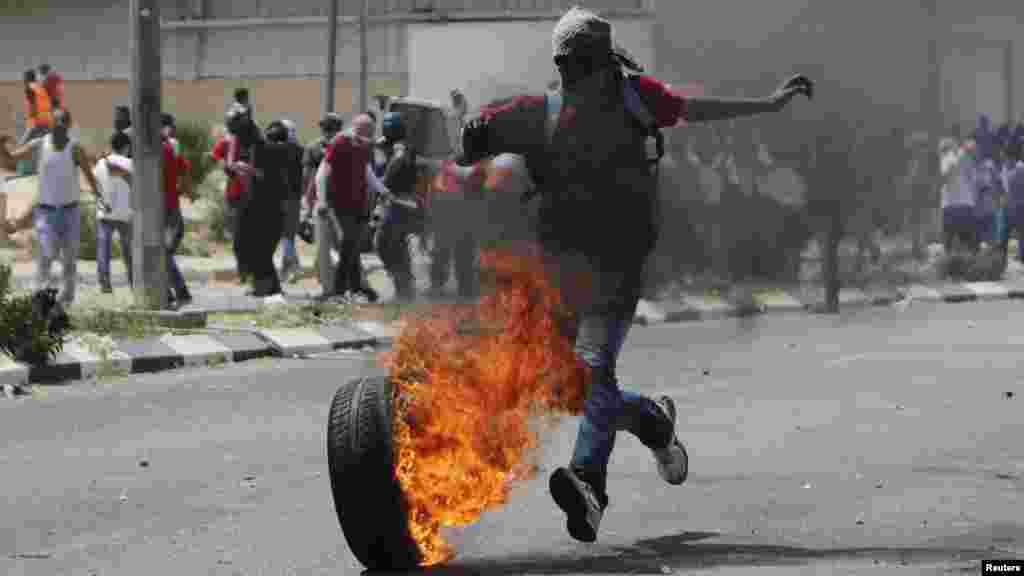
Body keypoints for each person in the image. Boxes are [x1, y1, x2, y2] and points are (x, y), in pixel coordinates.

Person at [451, 6, 813, 543]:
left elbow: (698, 108)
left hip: (617, 266)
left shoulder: (637, 97)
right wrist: (474, 133)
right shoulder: (540, 112)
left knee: (593, 371)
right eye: (577, 63)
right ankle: (655, 424)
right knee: (566, 385)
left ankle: (589, 484)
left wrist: (769, 103)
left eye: (592, 61)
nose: (587, 72)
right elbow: (470, 148)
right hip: (559, 273)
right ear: (564, 65)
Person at [0, 110, 108, 305]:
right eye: (57, 122)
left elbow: (90, 177)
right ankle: (40, 298)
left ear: (68, 125)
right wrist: (2, 147)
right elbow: (10, 161)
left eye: (63, 122)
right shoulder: (40, 144)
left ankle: (67, 301)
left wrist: (102, 198)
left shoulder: (75, 148)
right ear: (52, 124)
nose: (59, 125)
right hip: (45, 212)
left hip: (70, 211)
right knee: (46, 255)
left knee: (69, 260)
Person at [315, 114, 389, 301]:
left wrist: (382, 190)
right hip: (339, 203)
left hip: (359, 203)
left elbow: (367, 171)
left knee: (352, 246)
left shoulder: (363, 145)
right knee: (348, 245)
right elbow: (323, 173)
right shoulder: (339, 142)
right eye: (367, 132)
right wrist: (322, 200)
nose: (369, 136)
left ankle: (357, 287)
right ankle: (340, 290)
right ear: (357, 129)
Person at [226, 107, 295, 297]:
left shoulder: (273, 150)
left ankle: (266, 288)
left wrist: (246, 169)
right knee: (251, 247)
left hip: (269, 208)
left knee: (259, 250)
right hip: (259, 206)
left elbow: (264, 175)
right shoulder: (263, 149)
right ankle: (267, 287)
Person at [376, 112, 420, 301]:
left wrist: (383, 179)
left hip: (401, 201)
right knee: (392, 243)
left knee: (388, 242)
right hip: (390, 201)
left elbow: (399, 160)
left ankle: (404, 287)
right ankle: (403, 287)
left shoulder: (403, 147)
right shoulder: (383, 145)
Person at [303, 113, 345, 293]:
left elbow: (308, 178)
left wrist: (308, 202)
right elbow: (309, 178)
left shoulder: (316, 148)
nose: (326, 131)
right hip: (331, 202)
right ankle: (333, 283)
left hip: (330, 203)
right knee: (332, 245)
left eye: (327, 128)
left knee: (329, 245)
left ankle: (331, 284)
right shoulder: (345, 147)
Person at [94, 131, 135, 292]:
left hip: (105, 212)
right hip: (125, 214)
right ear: (126, 147)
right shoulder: (130, 164)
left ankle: (104, 283)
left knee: (103, 249)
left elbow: (95, 185)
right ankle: (134, 282)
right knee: (129, 253)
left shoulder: (100, 164)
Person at [160, 115, 194, 308]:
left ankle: (177, 291)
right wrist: (185, 190)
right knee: (163, 253)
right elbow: (185, 169)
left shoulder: (161, 150)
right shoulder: (169, 149)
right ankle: (174, 292)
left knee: (162, 253)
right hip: (170, 208)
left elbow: (183, 170)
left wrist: (183, 189)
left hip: (164, 210)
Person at [275, 119, 305, 283]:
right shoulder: (301, 150)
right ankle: (286, 271)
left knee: (284, 235)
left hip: (282, 197)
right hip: (295, 197)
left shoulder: (278, 149)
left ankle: (295, 267)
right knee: (288, 235)